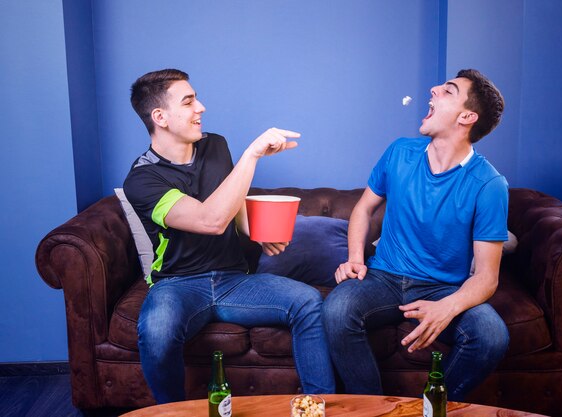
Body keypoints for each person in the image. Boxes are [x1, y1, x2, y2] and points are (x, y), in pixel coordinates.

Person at [123, 68, 335, 403]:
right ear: (160, 116)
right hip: (178, 284)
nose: (201, 107)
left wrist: (256, 231)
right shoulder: (143, 179)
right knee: (157, 331)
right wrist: (252, 154)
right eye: (189, 101)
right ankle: (172, 413)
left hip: (235, 280)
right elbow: (210, 220)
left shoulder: (215, 145)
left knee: (309, 301)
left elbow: (231, 206)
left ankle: (318, 408)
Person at [322, 69, 509, 401]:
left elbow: (486, 277)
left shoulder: (489, 184)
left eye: (448, 91)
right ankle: (372, 410)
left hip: (443, 288)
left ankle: (427, 409)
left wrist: (448, 307)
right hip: (384, 278)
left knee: (492, 335)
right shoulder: (400, 152)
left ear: (467, 117)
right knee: (337, 310)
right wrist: (354, 258)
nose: (434, 89)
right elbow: (363, 209)